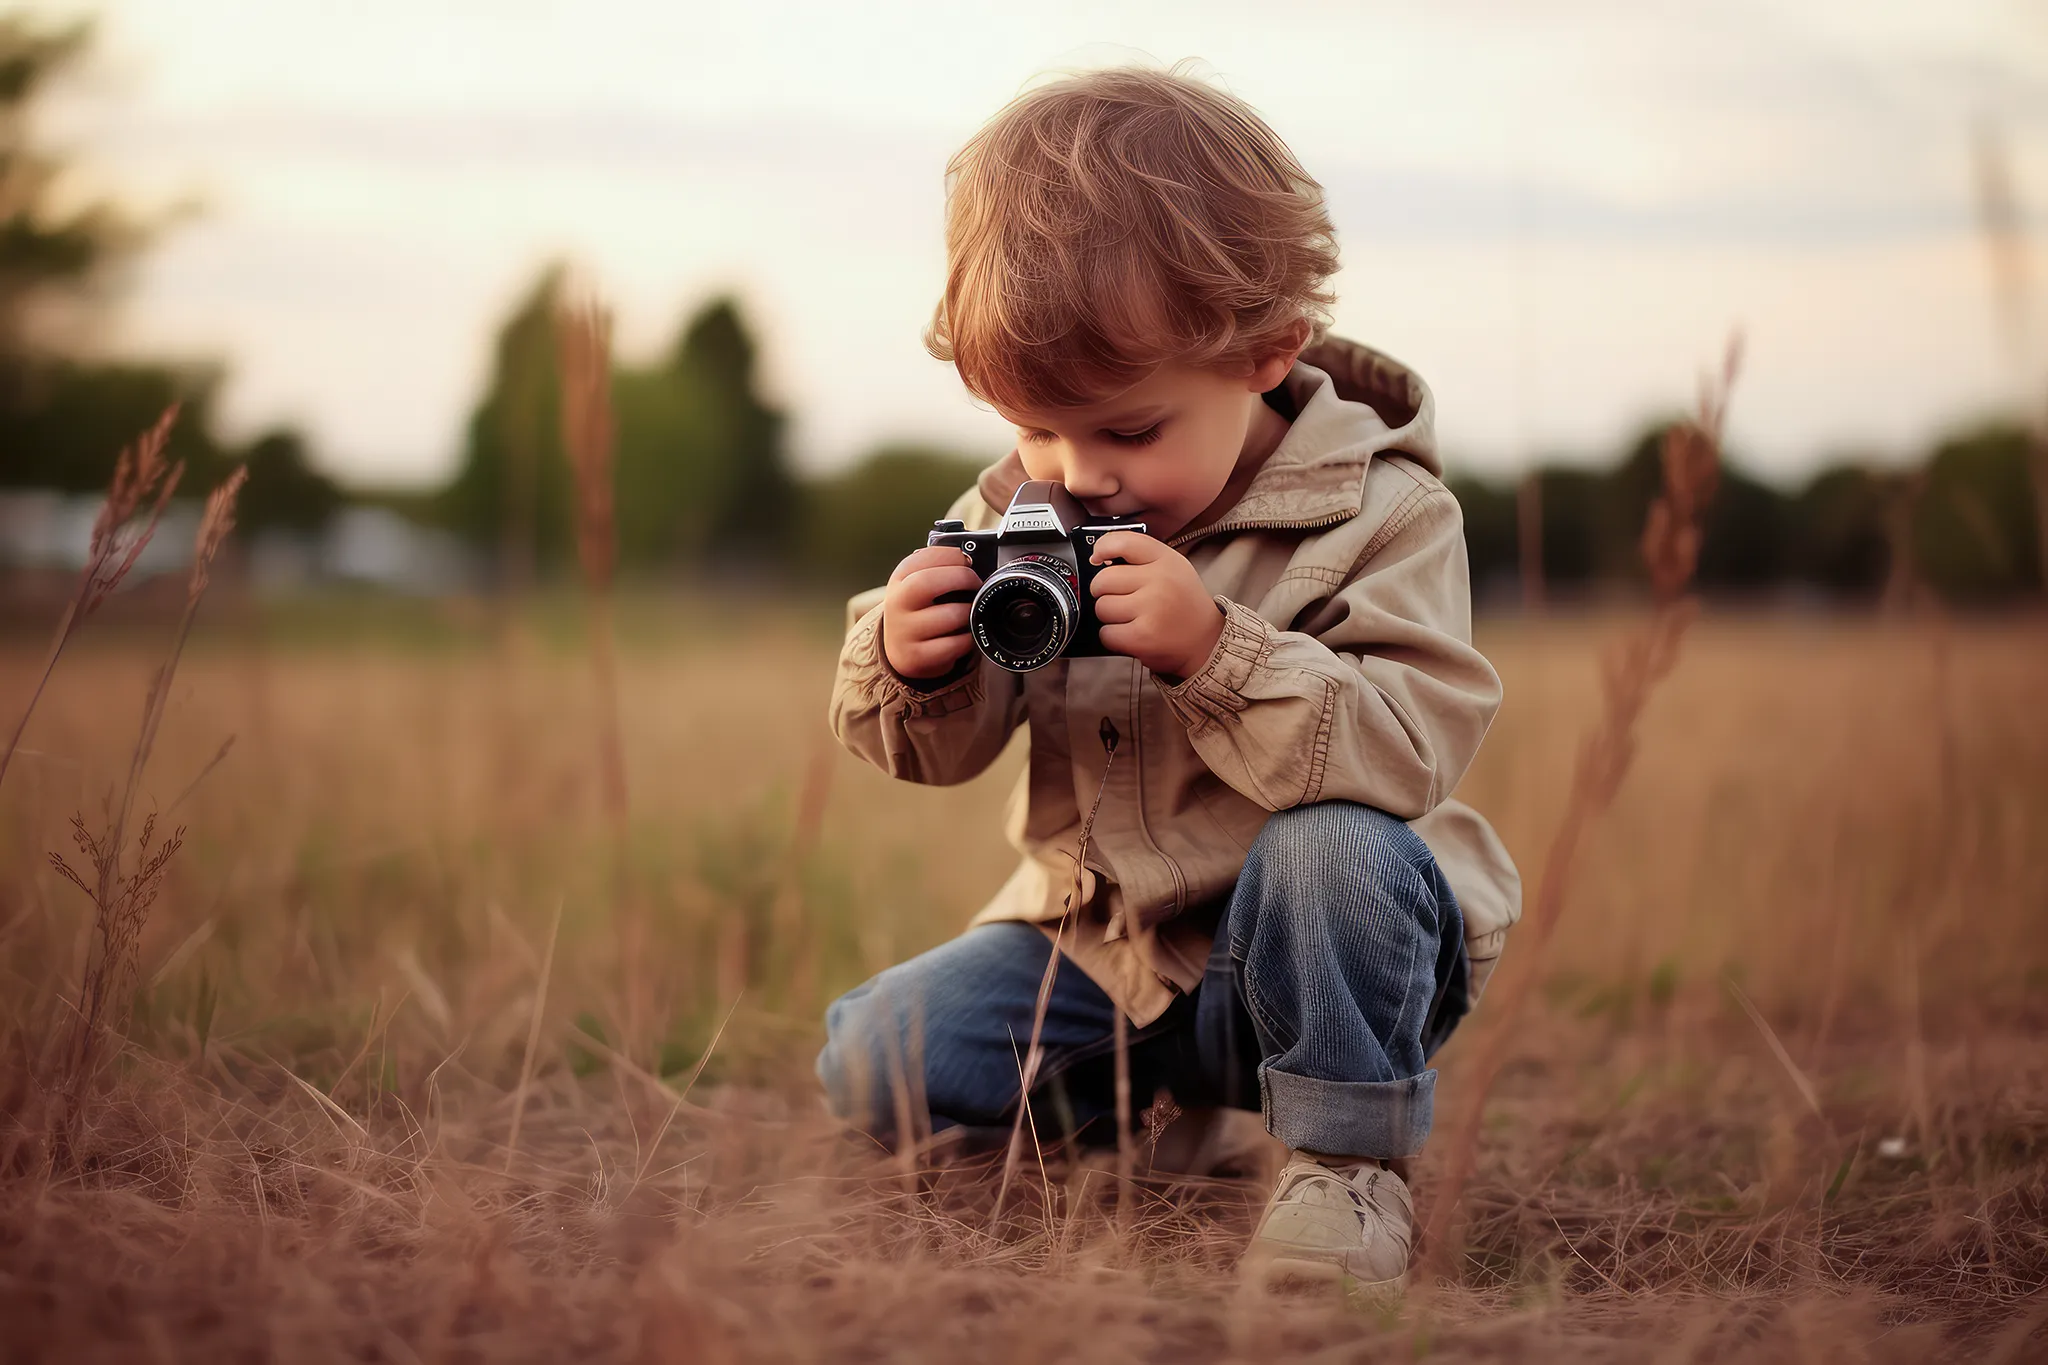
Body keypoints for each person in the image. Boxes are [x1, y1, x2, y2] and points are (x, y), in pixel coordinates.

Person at [816, 63, 1521, 1297]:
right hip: (1108, 949)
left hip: (1318, 943)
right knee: (873, 1052)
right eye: (1033, 427)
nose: (1077, 473)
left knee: (1333, 848)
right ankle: (1153, 1113)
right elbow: (936, 755)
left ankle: (1342, 1167)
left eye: (1127, 431)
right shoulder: (1020, 507)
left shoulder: (1384, 513)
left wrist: (1213, 650)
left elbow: (1404, 755)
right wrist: (909, 661)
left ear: (1264, 351)